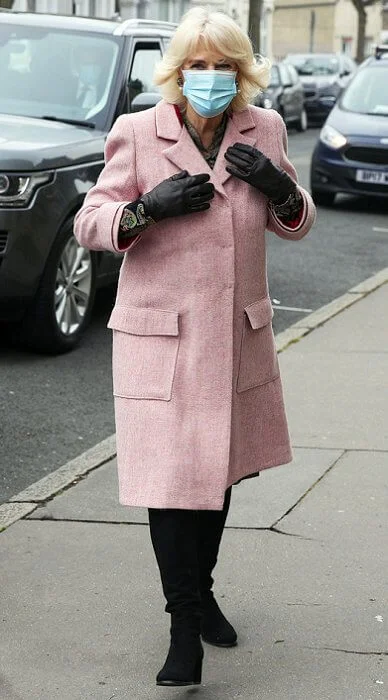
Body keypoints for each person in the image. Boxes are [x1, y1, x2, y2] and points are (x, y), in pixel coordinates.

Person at [74, 7, 316, 688]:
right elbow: (91, 222)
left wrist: (278, 188)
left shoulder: (262, 128)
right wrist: (148, 208)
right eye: (196, 66)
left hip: (236, 337)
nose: (208, 78)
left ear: (243, 73)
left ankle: (202, 591)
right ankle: (184, 625)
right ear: (176, 72)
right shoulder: (135, 131)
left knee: (218, 473)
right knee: (171, 483)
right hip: (162, 340)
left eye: (223, 66)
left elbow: (296, 222)